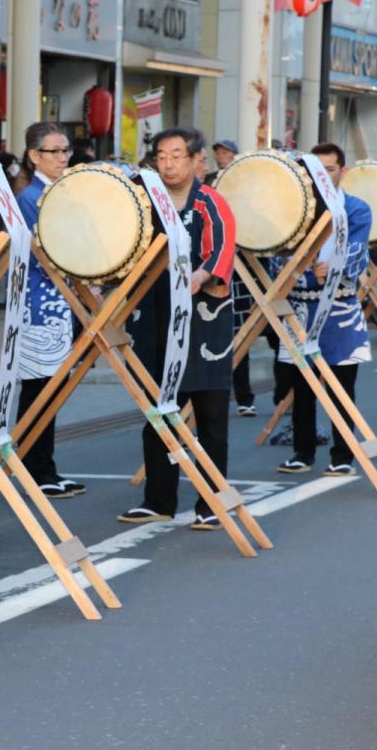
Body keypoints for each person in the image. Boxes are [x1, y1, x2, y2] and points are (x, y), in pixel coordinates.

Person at [120, 127, 235, 530]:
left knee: (209, 415)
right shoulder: (146, 203)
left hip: (203, 318)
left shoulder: (210, 202)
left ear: (194, 160)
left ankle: (210, 501)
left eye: (176, 155)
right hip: (155, 316)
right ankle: (159, 498)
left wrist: (200, 277)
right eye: (161, 156)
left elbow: (221, 250)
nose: (168, 163)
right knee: (158, 408)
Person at [275, 143, 372, 476]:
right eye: (315, 170)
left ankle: (342, 454)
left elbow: (359, 251)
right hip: (302, 306)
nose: (322, 177)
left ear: (342, 171)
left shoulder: (357, 208)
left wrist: (335, 266)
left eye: (328, 170)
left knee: (342, 384)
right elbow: (278, 254)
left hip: (341, 305)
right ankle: (302, 451)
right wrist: (302, 269)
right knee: (302, 384)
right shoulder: (295, 208)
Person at [13, 122, 84, 500]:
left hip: (61, 302)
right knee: (40, 389)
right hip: (39, 305)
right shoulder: (31, 198)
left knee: (50, 390)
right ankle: (36, 468)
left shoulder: (59, 192)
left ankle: (43, 466)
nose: (62, 158)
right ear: (34, 155)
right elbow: (43, 256)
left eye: (65, 150)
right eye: (53, 151)